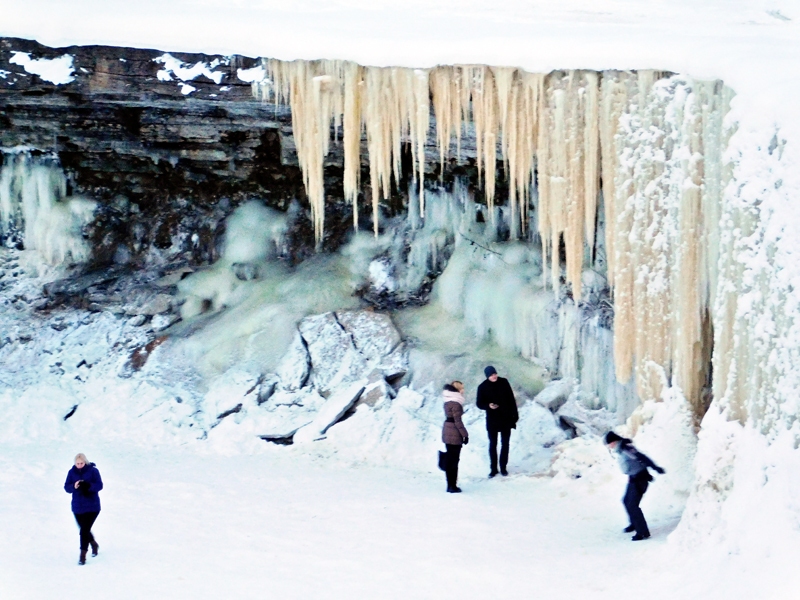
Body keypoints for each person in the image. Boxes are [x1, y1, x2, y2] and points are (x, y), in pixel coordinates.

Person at [604, 432, 665, 541]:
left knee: (632, 505)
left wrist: (655, 468)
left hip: (639, 480)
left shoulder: (626, 448)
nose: (609, 446)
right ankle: (634, 523)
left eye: (609, 443)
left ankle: (642, 532)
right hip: (633, 479)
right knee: (626, 501)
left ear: (614, 441)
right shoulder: (621, 449)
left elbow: (642, 458)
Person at [476, 366, 518, 477]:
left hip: (506, 417)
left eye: (495, 374)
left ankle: (503, 467)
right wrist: (488, 405)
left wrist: (515, 415)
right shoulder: (482, 387)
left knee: (505, 444)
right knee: (493, 444)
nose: (494, 376)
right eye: (491, 375)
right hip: (492, 419)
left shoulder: (504, 382)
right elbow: (479, 403)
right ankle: (493, 468)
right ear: (487, 376)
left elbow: (511, 399)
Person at [64, 453, 104, 565]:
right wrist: (74, 486)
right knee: (84, 529)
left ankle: (82, 556)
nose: (80, 465)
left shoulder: (93, 471)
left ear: (85, 462)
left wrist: (88, 486)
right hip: (78, 507)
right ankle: (93, 544)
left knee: (84, 531)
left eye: (81, 463)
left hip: (92, 506)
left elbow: (100, 485)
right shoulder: (71, 472)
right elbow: (67, 487)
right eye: (77, 463)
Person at [441, 382, 469, 493]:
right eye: (462, 388)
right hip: (454, 432)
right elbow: (458, 422)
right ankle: (452, 486)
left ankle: (450, 485)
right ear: (458, 390)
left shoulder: (447, 401)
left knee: (450, 459)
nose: (463, 390)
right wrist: (465, 435)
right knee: (454, 461)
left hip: (447, 430)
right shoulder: (456, 404)